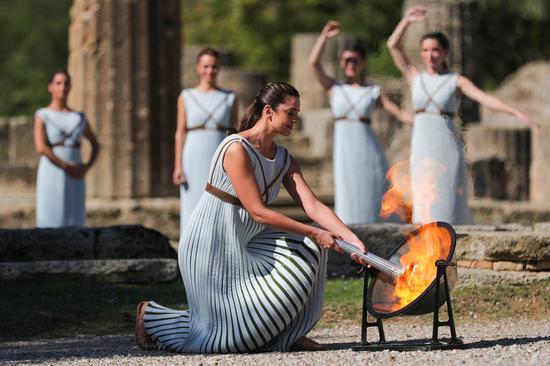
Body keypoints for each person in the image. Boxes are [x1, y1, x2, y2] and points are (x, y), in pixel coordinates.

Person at [136, 82, 367, 353]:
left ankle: (287, 334)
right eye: (290, 113)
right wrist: (315, 232)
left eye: (297, 113)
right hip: (211, 245)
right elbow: (257, 211)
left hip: (246, 243)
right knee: (227, 339)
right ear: (269, 111)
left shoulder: (283, 158)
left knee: (308, 251)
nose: (295, 119)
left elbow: (313, 205)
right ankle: (151, 316)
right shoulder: (236, 148)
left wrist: (353, 240)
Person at [387, 5, 537, 224]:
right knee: (423, 197)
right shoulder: (415, 77)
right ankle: (427, 246)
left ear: (445, 52)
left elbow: (484, 98)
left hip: (446, 144)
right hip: (422, 144)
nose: (430, 55)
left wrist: (515, 111)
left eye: (435, 50)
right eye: (426, 50)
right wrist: (407, 22)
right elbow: (393, 45)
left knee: (447, 197)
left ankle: (452, 243)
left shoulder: (454, 80)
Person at [309, 20, 412, 225]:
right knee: (347, 195)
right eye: (346, 61)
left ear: (363, 63)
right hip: (345, 151)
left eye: (354, 60)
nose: (350, 65)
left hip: (368, 151)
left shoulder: (372, 91)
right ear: (341, 64)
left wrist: (426, 120)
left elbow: (398, 113)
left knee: (373, 194)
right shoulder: (334, 88)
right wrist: (323, 37)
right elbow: (313, 64)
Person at [173, 47, 239, 233]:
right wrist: (178, 165)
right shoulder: (186, 96)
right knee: (192, 205)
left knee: (219, 204)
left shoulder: (230, 97)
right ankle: (189, 254)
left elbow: (235, 133)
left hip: (219, 155)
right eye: (206, 66)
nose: (210, 71)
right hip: (192, 155)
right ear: (198, 68)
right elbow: (180, 132)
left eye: (214, 67)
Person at [33, 70, 100, 228]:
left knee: (74, 214)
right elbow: (41, 147)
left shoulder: (79, 117)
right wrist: (64, 165)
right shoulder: (43, 114)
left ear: (70, 87)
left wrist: (86, 167)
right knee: (50, 215)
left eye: (66, 83)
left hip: (76, 170)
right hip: (52, 168)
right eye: (58, 83)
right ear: (50, 87)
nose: (62, 87)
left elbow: (95, 144)